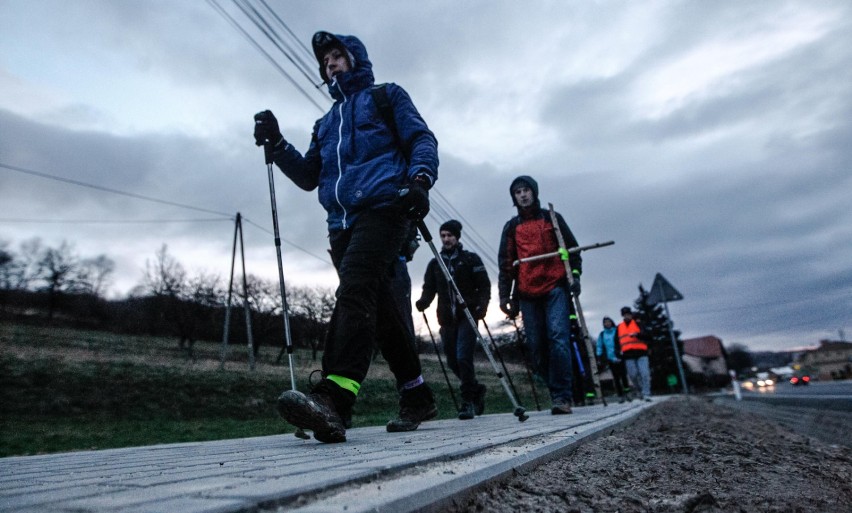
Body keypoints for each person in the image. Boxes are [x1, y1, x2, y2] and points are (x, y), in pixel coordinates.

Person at [253, 31, 439, 443]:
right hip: (341, 225)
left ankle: (334, 399)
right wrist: (278, 144)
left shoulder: (385, 96)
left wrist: (421, 179)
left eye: (337, 56)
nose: (330, 65)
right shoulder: (326, 123)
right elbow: (308, 177)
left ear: (355, 59)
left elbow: (420, 138)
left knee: (355, 289)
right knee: (384, 311)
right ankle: (418, 394)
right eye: (326, 61)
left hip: (386, 207)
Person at [497, 175, 582, 415]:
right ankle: (553, 387)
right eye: (518, 192)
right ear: (514, 197)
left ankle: (562, 395)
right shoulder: (511, 227)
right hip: (527, 292)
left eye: (526, 190)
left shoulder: (552, 219)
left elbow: (572, 251)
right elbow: (506, 264)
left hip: (555, 287)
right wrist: (505, 297)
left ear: (534, 192)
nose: (523, 195)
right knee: (537, 346)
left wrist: (574, 276)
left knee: (558, 339)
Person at [415, 220, 490, 420]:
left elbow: (484, 285)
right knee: (451, 360)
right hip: (446, 318)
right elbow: (429, 288)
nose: (446, 239)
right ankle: (476, 390)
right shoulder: (435, 263)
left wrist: (482, 306)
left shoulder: (470, 259)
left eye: (449, 235)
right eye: (443, 235)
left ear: (457, 237)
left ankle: (467, 402)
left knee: (463, 357)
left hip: (468, 315)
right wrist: (423, 302)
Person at [617, 306, 652, 402]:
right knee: (633, 375)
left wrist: (638, 335)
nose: (627, 316)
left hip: (641, 352)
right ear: (622, 316)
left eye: (628, 314)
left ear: (631, 314)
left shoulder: (639, 324)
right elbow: (617, 341)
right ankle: (639, 390)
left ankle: (646, 393)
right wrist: (618, 352)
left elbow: (648, 336)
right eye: (625, 315)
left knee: (644, 373)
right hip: (628, 355)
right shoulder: (619, 327)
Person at [596, 316, 631, 403]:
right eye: (605, 322)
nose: (607, 323)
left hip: (620, 356)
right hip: (610, 358)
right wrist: (599, 357)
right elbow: (599, 346)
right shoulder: (602, 334)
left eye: (608, 322)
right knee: (616, 377)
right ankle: (620, 395)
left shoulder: (617, 331)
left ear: (611, 322)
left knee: (623, 376)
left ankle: (628, 393)